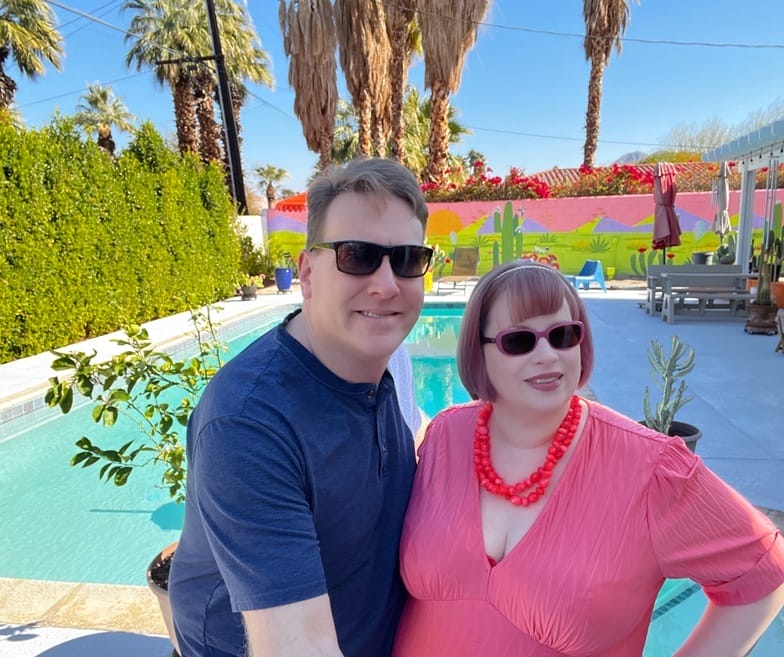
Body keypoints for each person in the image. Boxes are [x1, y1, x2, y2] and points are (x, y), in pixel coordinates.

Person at [392, 261, 784, 657]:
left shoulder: (649, 468)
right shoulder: (447, 436)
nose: (547, 355)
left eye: (563, 336)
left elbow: (763, 570)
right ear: (479, 351)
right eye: (520, 341)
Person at [169, 157, 432, 657]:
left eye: (406, 259)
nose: (386, 284)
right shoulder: (248, 423)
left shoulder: (380, 361)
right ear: (308, 272)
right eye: (357, 256)